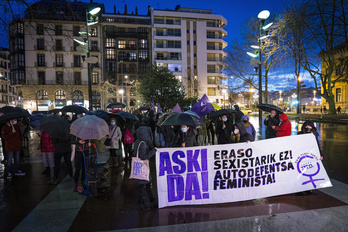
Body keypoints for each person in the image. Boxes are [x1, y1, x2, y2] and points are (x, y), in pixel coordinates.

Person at [133, 126, 157, 210]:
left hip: (141, 168)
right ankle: (141, 203)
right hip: (143, 168)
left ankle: (152, 200)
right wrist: (153, 151)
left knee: (146, 185)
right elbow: (143, 157)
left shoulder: (137, 141)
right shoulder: (143, 144)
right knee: (142, 186)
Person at [297, 120, 323, 195]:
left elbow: (317, 145)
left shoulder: (314, 134)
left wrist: (320, 155)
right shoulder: (300, 134)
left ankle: (307, 188)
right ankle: (299, 189)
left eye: (309, 126)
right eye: (306, 126)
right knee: (300, 173)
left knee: (309, 172)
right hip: (301, 156)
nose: (308, 127)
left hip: (310, 156)